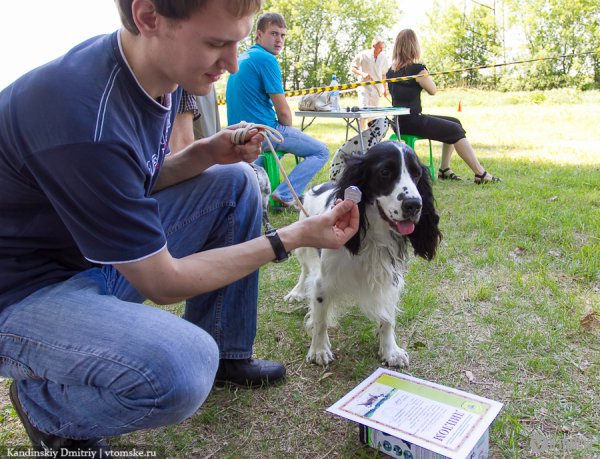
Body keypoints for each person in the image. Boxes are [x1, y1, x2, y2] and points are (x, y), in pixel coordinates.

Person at [0, 0, 359, 455]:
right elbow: (164, 281)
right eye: (216, 44)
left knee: (235, 182)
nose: (232, 64)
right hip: (21, 292)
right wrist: (292, 236)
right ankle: (45, 405)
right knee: (182, 367)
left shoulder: (156, 76)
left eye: (237, 43)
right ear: (149, 16)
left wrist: (207, 152)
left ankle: (229, 350)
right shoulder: (83, 112)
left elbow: (134, 180)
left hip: (88, 256)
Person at [226, 12, 330, 208]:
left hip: (239, 134)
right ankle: (284, 194)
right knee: (321, 151)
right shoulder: (266, 59)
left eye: (282, 35)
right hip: (263, 132)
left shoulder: (244, 57)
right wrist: (289, 131)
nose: (279, 40)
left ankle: (254, 189)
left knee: (278, 151)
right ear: (258, 34)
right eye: (274, 34)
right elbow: (283, 113)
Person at [386, 29, 501, 184]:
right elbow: (433, 90)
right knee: (455, 130)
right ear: (414, 46)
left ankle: (444, 169)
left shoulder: (390, 72)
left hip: (399, 123)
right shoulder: (417, 69)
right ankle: (480, 173)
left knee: (455, 121)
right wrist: (425, 73)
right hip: (413, 121)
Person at [350, 37, 390, 130]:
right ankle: (360, 134)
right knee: (363, 111)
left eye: (382, 48)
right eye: (380, 47)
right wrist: (362, 74)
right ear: (373, 46)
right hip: (364, 87)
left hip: (377, 88)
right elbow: (353, 67)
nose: (381, 50)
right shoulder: (363, 55)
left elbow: (384, 74)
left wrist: (384, 89)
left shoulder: (383, 58)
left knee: (374, 113)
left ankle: (371, 135)